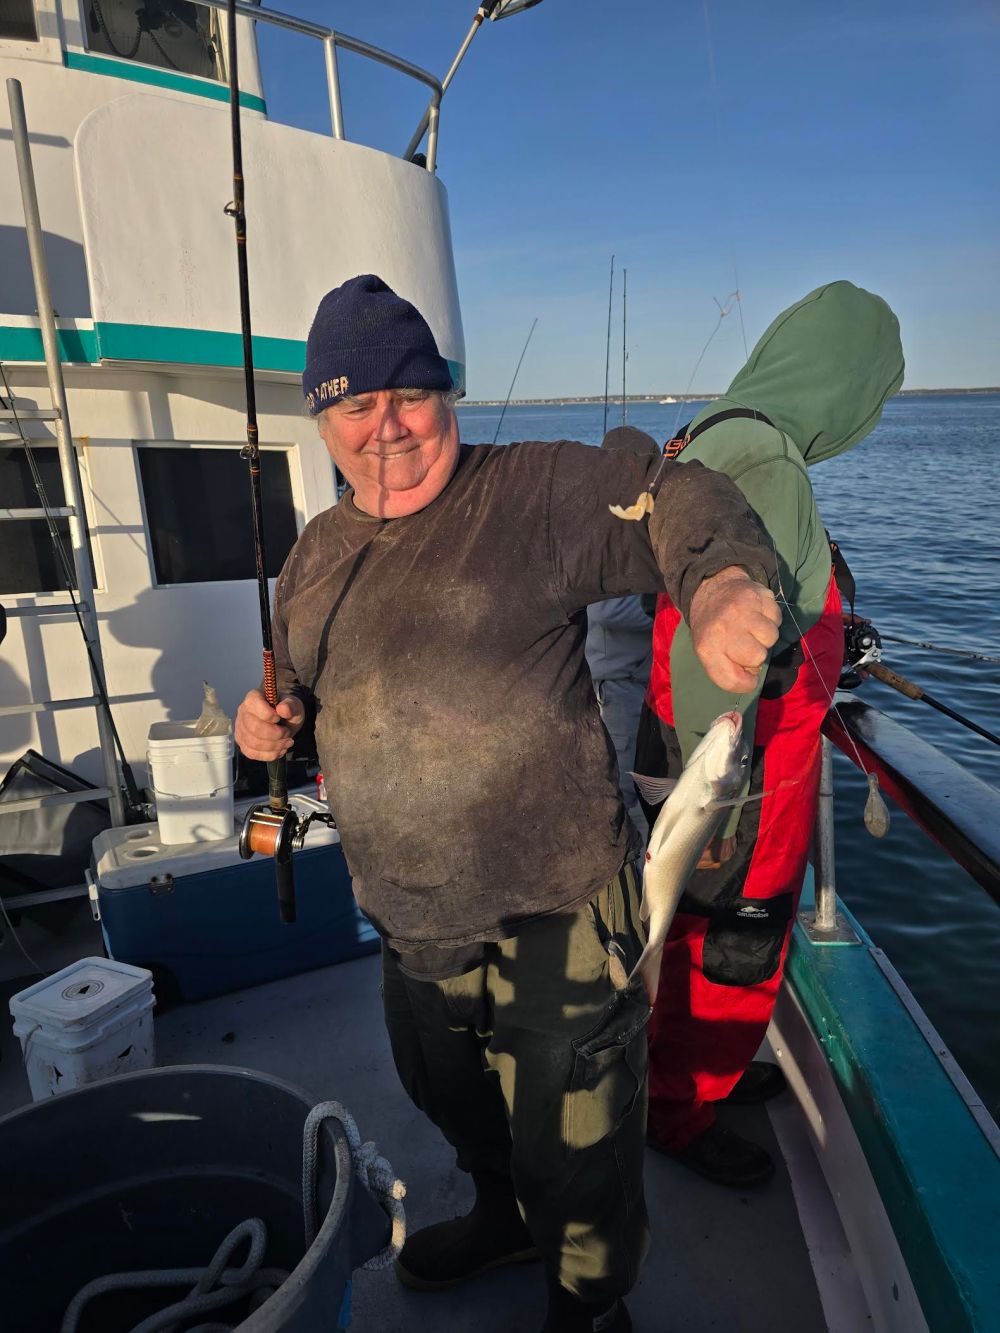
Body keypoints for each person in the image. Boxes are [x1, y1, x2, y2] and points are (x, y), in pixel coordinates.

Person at [235, 273, 781, 1333]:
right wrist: (265, 726)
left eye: (412, 396)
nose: (387, 428)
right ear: (322, 417)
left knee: (578, 1144)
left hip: (559, 911)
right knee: (456, 1101)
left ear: (449, 393)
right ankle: (500, 1212)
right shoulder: (309, 557)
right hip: (413, 920)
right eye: (357, 404)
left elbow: (672, 494)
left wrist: (713, 580)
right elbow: (291, 685)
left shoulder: (527, 494)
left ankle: (589, 1303)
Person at [637, 280, 904, 1187]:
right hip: (742, 767)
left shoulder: (715, 435)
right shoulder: (773, 464)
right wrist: (726, 783)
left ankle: (686, 1078)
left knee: (693, 935)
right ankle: (679, 1112)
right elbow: (736, 642)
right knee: (731, 938)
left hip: (687, 748)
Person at [584, 427, 660, 840]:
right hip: (617, 691)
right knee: (624, 792)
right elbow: (610, 611)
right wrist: (674, 609)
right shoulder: (603, 531)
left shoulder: (641, 524)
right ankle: (632, 892)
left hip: (646, 689)